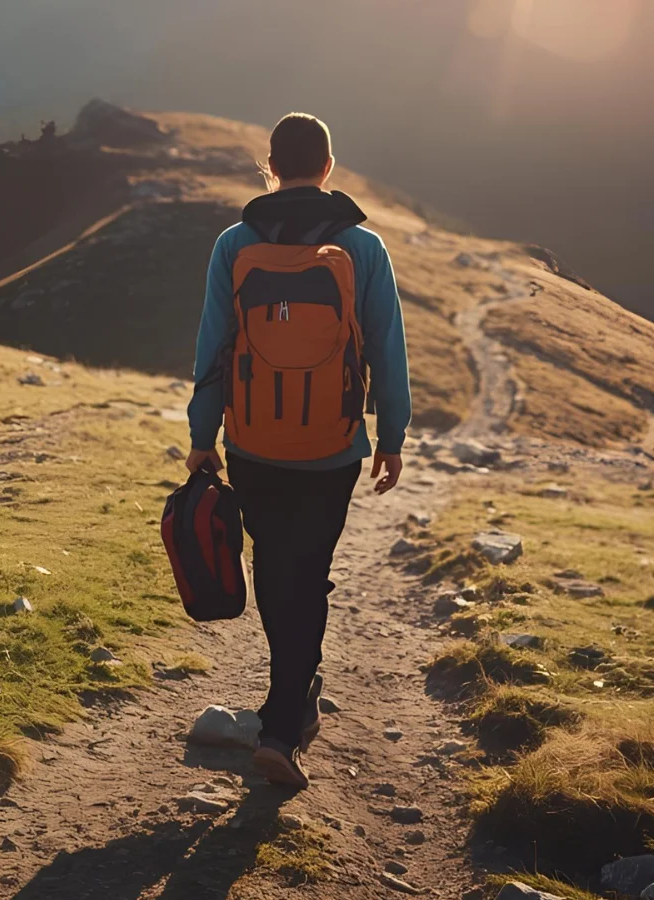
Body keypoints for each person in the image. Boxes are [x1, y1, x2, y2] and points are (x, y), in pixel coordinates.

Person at [185, 112, 411, 788]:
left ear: (270, 166)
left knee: (275, 567)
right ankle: (285, 721)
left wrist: (203, 438)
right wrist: (391, 438)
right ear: (329, 167)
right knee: (306, 572)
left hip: (252, 441)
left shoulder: (234, 242)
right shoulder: (364, 248)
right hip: (333, 446)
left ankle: (289, 704)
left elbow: (211, 350)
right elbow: (389, 353)